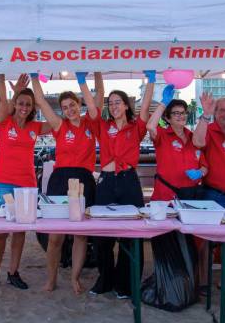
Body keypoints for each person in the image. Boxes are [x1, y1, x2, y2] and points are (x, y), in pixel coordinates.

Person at [30, 71, 103, 294]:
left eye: (72, 105)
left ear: (79, 103)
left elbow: (99, 93)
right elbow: (40, 101)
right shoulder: (60, 125)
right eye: (65, 107)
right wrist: (34, 74)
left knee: (80, 234)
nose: (70, 110)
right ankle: (51, 279)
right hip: (60, 179)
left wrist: (98, 69)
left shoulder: (92, 122)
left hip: (84, 179)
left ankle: (75, 278)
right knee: (55, 235)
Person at [89, 70, 155, 298]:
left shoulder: (136, 128)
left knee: (130, 233)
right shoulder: (102, 126)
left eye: (118, 102)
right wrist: (82, 82)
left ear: (127, 106)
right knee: (102, 236)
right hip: (106, 183)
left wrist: (151, 80)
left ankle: (125, 284)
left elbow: (146, 108)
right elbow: (91, 107)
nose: (114, 106)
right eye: (111, 102)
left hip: (128, 182)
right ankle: (105, 280)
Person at [0, 74, 53, 291]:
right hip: (4, 183)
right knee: (0, 230)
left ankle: (13, 272)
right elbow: (0, 99)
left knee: (19, 232)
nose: (24, 107)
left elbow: (56, 123)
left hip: (27, 185)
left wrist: (42, 101)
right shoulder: (4, 122)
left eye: (28, 104)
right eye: (21, 103)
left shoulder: (36, 127)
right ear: (15, 104)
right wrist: (13, 88)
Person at [146, 84, 207, 201]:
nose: (182, 116)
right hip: (165, 197)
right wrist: (163, 103)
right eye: (176, 113)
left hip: (190, 197)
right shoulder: (162, 135)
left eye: (183, 113)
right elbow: (150, 126)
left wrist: (200, 172)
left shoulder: (194, 138)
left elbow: (205, 166)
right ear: (168, 118)